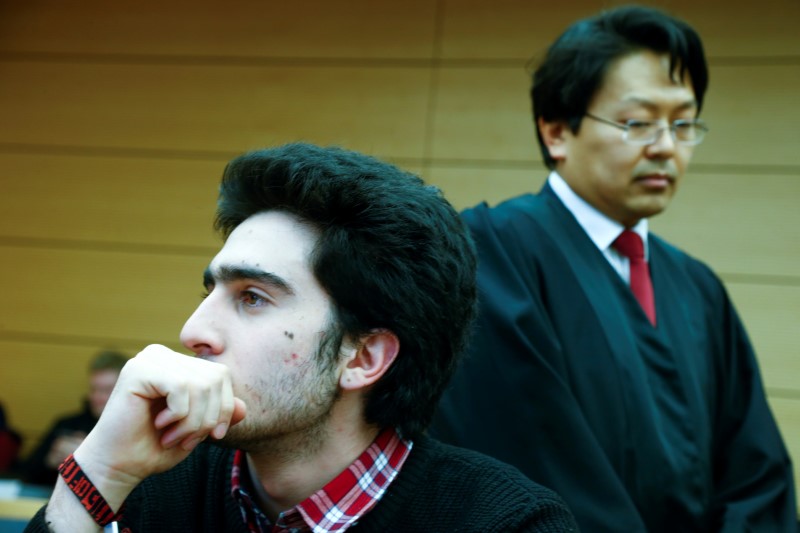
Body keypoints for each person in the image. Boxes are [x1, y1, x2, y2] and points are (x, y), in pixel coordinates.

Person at [26, 143, 578, 532]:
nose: (193, 331)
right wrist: (101, 469)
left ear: (362, 357)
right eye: (209, 291)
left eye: (252, 298)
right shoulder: (156, 487)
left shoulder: (505, 522)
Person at [429, 5, 796, 532]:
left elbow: (755, 475)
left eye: (683, 123)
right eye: (637, 122)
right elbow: (520, 452)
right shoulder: (493, 251)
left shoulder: (698, 287)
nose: (666, 146)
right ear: (557, 132)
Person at [22, 350, 128, 486]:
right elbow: (26, 475)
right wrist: (50, 461)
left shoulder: (134, 431)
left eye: (107, 390)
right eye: (93, 389)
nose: (96, 397)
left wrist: (91, 457)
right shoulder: (67, 425)